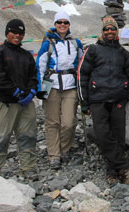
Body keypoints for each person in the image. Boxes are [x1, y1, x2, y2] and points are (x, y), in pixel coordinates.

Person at [76, 16, 129, 186]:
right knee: (102, 135)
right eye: (106, 29)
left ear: (116, 31)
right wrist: (84, 102)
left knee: (118, 137)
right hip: (98, 100)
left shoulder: (123, 53)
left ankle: (113, 172)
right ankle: (124, 166)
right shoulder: (93, 50)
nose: (109, 31)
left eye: (112, 28)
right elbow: (82, 75)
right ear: (102, 32)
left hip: (118, 99)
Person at [0, 19, 39, 180]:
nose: (17, 35)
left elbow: (33, 76)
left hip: (25, 103)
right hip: (5, 103)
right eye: (14, 32)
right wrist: (16, 92)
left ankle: (28, 167)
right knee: (0, 136)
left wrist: (31, 92)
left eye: (21, 33)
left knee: (28, 135)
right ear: (7, 32)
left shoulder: (26, 55)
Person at [37, 11, 84, 169]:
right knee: (52, 122)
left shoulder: (76, 43)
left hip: (70, 86)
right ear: (55, 24)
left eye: (65, 22)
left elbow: (82, 65)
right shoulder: (48, 43)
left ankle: (64, 148)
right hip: (51, 84)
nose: (62, 25)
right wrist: (40, 88)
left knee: (69, 122)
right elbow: (40, 65)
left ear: (69, 25)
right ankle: (54, 155)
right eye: (59, 22)